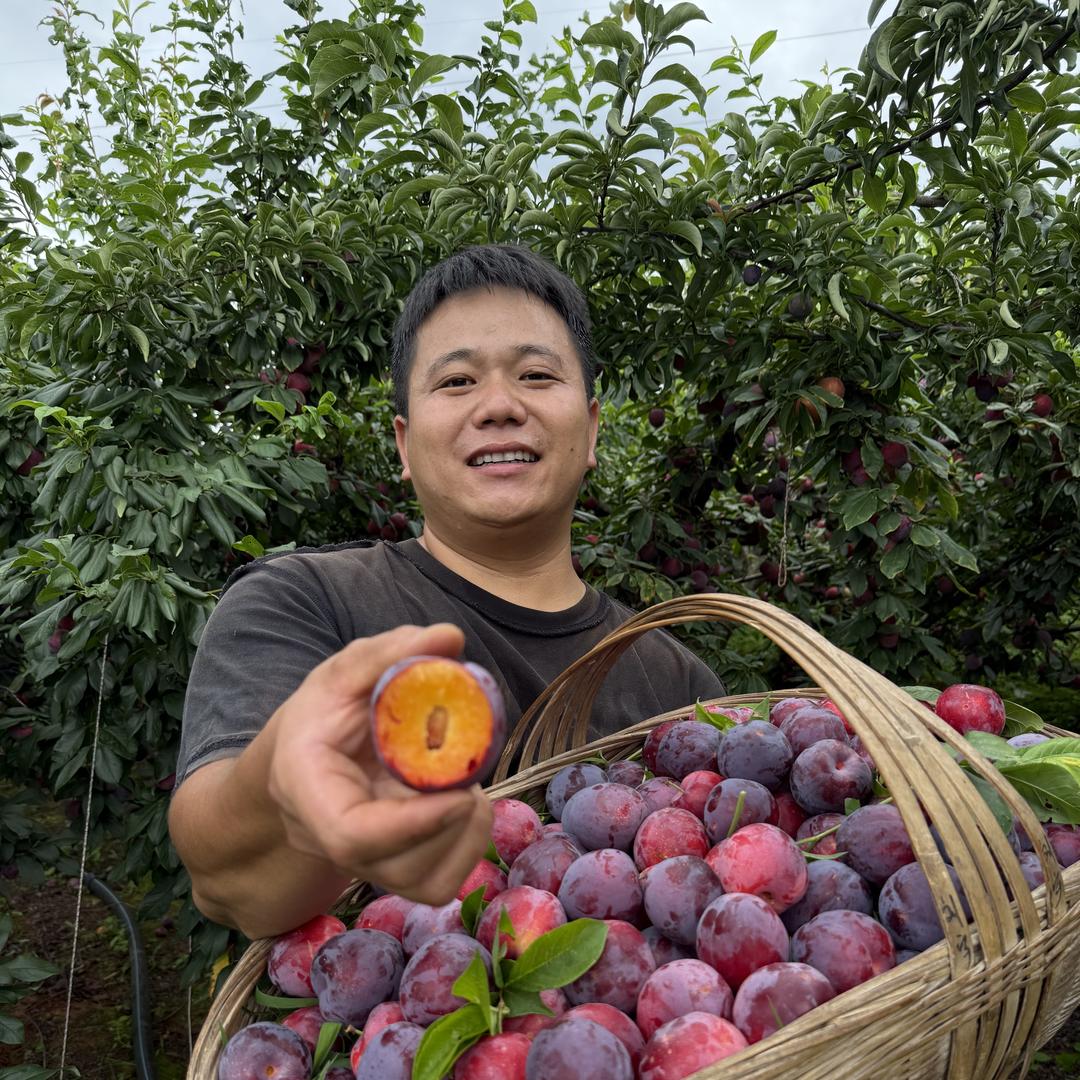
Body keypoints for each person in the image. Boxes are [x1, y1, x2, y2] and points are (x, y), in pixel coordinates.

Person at [168, 244, 725, 940]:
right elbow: (223, 877)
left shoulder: (677, 677)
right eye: (457, 381)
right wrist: (290, 789)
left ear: (590, 431)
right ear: (403, 445)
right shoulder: (304, 601)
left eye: (535, 373)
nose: (498, 405)